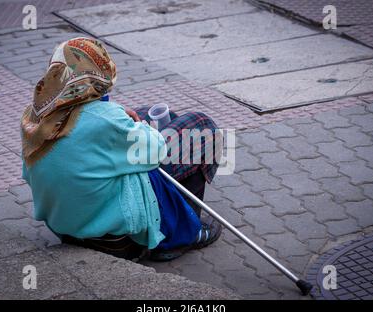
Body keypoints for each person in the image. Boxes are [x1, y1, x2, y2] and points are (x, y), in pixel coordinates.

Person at [21, 37, 223, 262]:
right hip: (115, 242)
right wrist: (139, 128)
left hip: (66, 228)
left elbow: (82, 136)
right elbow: (156, 151)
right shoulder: (106, 119)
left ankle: (177, 216)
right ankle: (182, 235)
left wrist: (121, 119)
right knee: (199, 128)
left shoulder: (36, 114)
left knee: (143, 113)